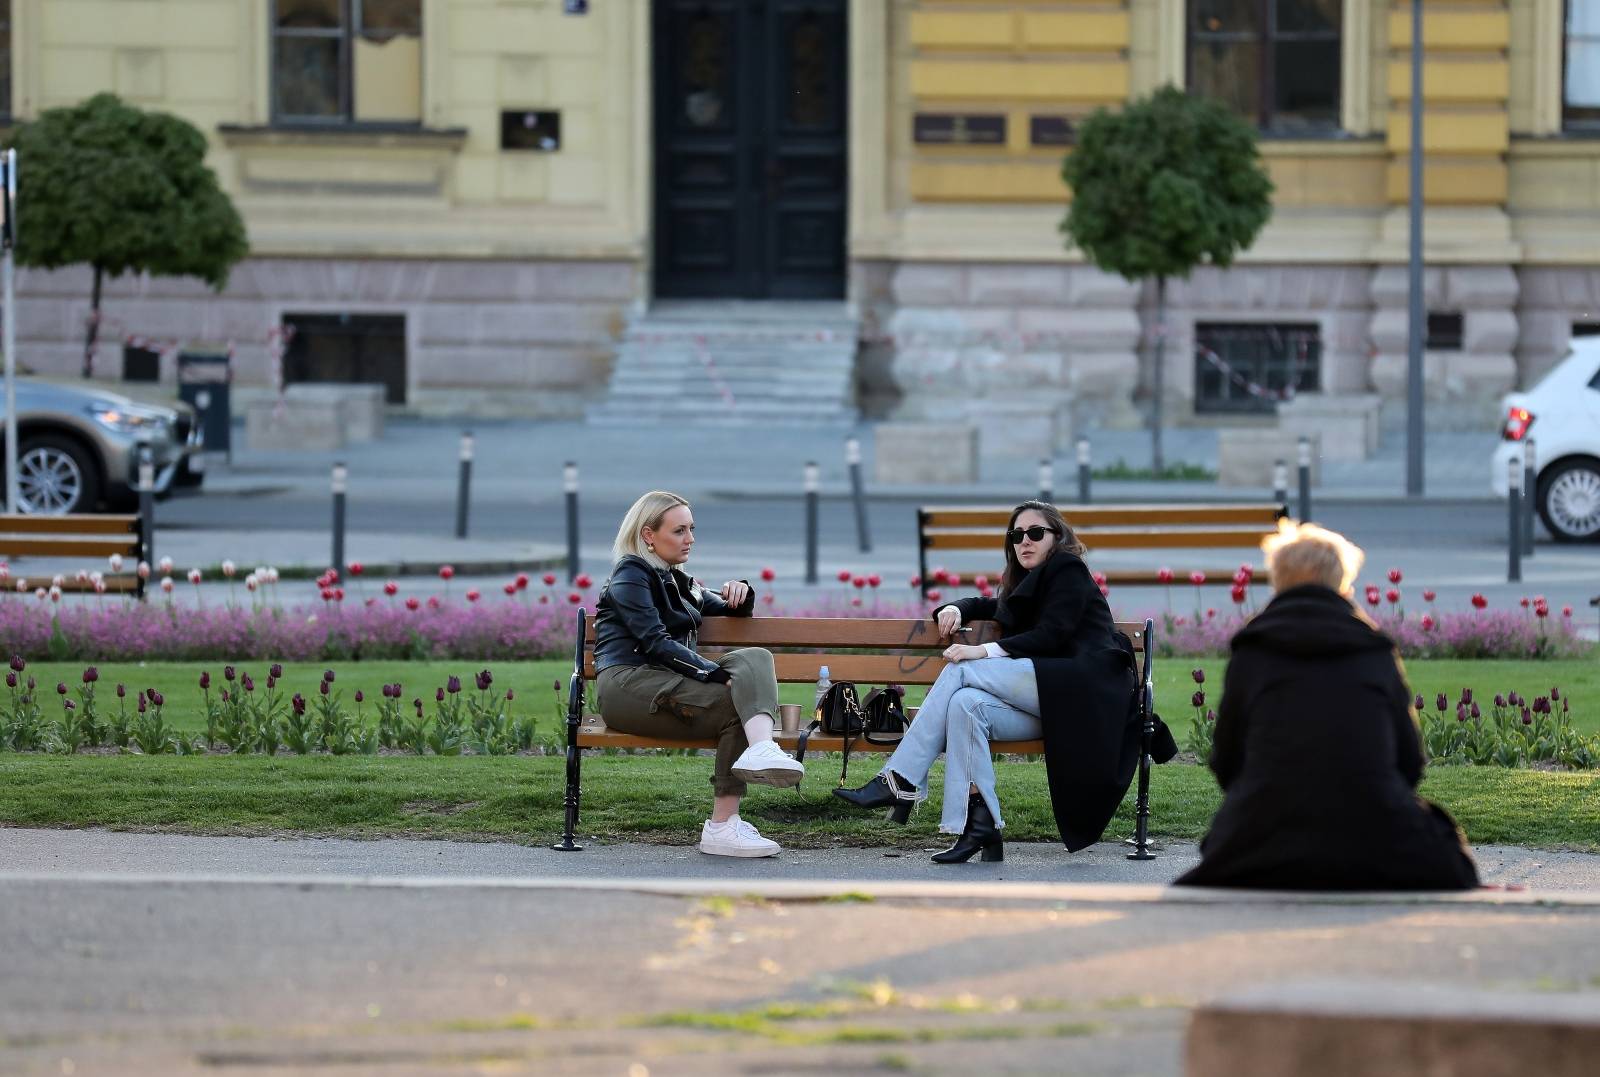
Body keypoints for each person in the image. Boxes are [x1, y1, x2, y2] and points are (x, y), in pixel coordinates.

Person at [834, 500, 1155, 863]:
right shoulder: (1028, 584)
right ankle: (980, 824)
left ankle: (899, 780)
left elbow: (1053, 634)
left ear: (1057, 537)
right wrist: (957, 608)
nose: (1025, 542)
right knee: (965, 705)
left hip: (1083, 694)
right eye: (1017, 535)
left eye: (1036, 533)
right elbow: (995, 605)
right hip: (1051, 701)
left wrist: (983, 651)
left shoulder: (1068, 569)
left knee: (959, 669)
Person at [1175, 520, 1479, 891]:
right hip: (1372, 826)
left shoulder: (1254, 651)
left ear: (1278, 581)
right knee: (1450, 858)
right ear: (1342, 581)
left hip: (1265, 831)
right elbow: (1409, 763)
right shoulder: (1375, 651)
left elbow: (1226, 761)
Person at [592, 490, 803, 858]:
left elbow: (731, 610)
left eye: (691, 529)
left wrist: (743, 591)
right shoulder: (631, 575)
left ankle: (761, 751)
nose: (690, 539)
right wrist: (712, 674)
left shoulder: (681, 581)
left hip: (668, 682)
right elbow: (655, 643)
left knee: (754, 656)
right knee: (737, 703)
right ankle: (723, 826)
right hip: (630, 683)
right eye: (679, 531)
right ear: (648, 535)